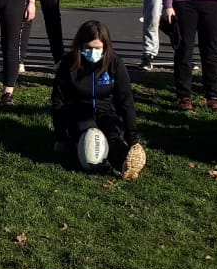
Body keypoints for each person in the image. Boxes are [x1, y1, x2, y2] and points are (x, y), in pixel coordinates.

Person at [50, 20, 146, 180]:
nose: (93, 52)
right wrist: (60, 137)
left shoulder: (115, 63)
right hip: (79, 112)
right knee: (91, 135)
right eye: (88, 48)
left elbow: (126, 101)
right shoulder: (69, 63)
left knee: (112, 136)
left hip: (107, 111)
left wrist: (132, 139)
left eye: (97, 48)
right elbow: (58, 101)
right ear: (80, 46)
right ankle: (87, 155)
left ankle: (125, 164)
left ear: (105, 47)